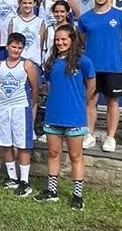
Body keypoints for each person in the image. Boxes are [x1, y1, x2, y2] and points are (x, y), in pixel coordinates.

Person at [36, 24, 95, 209]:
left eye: (64, 39)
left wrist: (78, 101)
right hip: (54, 115)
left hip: (75, 117)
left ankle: (77, 196)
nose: (60, 43)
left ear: (72, 40)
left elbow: (91, 86)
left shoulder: (83, 62)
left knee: (76, 156)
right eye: (57, 40)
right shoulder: (51, 61)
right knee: (53, 154)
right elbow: (49, 84)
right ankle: (51, 191)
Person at [77, 0, 122, 152]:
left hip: (113, 67)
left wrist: (117, 55)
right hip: (91, 68)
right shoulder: (85, 18)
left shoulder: (120, 16)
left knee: (113, 103)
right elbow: (81, 41)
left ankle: (110, 137)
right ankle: (89, 135)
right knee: (90, 102)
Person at [0, 31, 37, 196]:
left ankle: (25, 181)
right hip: (4, 108)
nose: (16, 50)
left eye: (20, 48)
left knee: (22, 145)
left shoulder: (27, 65)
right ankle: (12, 177)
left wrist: (30, 103)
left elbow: (35, 88)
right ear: (8, 47)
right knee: (6, 143)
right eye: (13, 47)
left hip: (20, 108)